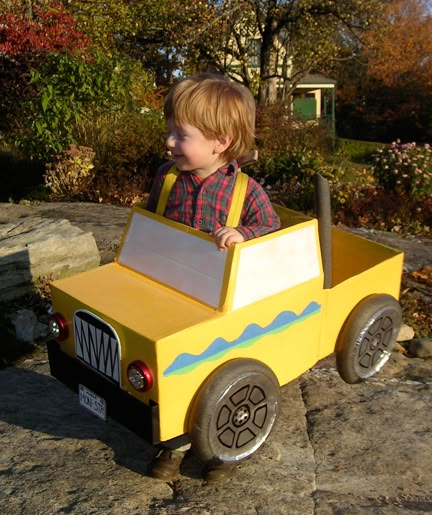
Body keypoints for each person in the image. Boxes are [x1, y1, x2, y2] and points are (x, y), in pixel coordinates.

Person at [146, 72, 281, 482]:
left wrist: (243, 233)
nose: (169, 141)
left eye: (180, 134)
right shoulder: (167, 178)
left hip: (225, 302)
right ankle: (174, 443)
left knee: (216, 370)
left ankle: (221, 450)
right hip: (174, 290)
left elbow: (272, 229)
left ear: (219, 141)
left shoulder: (246, 191)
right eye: (169, 130)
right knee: (177, 368)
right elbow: (152, 223)